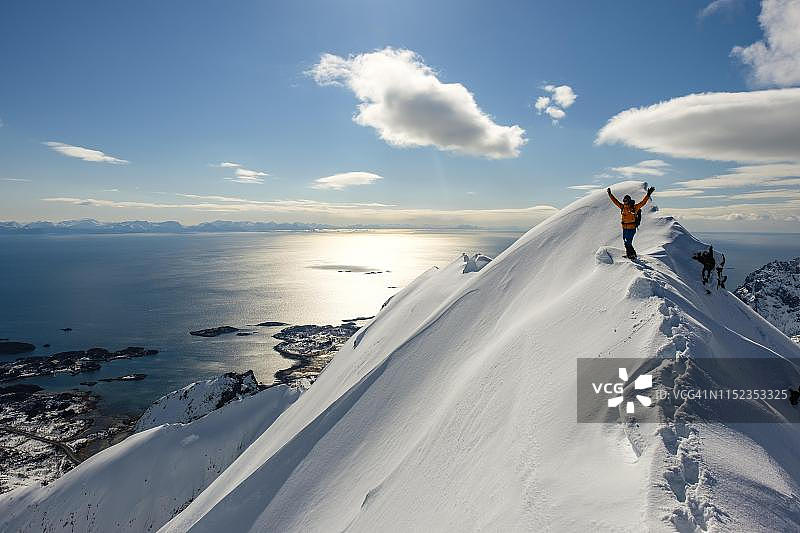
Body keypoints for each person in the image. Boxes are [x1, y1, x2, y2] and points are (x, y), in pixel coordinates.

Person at [607, 186, 655, 259]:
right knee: (625, 242)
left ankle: (631, 255)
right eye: (624, 200)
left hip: (631, 228)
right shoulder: (622, 207)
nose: (624, 202)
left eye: (626, 200)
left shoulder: (634, 208)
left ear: (629, 201)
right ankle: (631, 254)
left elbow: (643, 203)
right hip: (624, 228)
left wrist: (648, 195)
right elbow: (615, 201)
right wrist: (610, 194)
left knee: (628, 242)